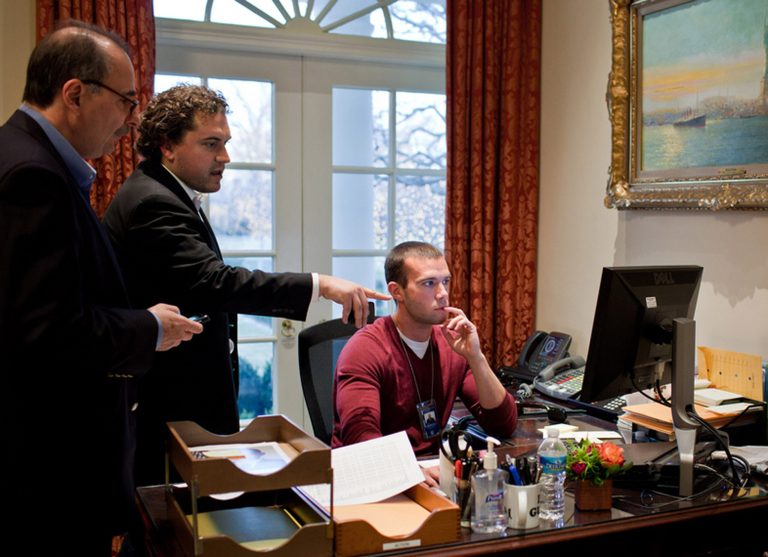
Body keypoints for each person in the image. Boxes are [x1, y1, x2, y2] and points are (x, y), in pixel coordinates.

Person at [103, 84, 389, 486]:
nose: (225, 157)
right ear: (167, 145)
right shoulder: (154, 201)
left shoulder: (167, 193)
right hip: (165, 406)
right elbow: (214, 282)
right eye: (211, 144)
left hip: (182, 404)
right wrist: (319, 284)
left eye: (226, 142)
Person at [0, 21, 203, 554]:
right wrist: (150, 326)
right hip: (47, 467)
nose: (131, 120)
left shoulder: (26, 158)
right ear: (74, 93)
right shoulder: (32, 176)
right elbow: (45, 329)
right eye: (126, 101)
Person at [332, 241, 517, 485]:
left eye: (446, 282)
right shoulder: (365, 350)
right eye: (429, 283)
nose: (442, 293)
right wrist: (406, 471)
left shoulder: (451, 344)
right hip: (370, 479)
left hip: (431, 473)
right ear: (397, 291)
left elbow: (502, 424)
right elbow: (361, 437)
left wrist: (476, 357)